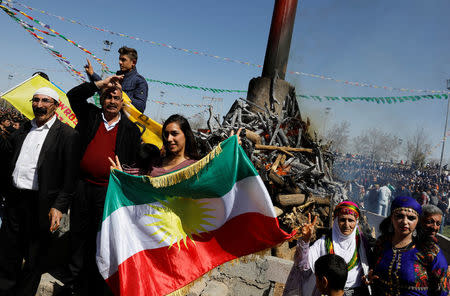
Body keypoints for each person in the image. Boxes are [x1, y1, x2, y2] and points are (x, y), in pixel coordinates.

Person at [65, 75, 142, 295]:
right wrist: (100, 83)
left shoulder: (132, 130)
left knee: (101, 239)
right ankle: (73, 284)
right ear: (101, 99)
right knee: (78, 236)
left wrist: (124, 172)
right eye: (107, 96)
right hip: (81, 188)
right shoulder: (90, 116)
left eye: (116, 98)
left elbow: (135, 165)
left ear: (122, 102)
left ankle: (95, 284)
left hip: (108, 194)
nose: (111, 101)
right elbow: (73, 96)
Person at [0, 87, 79, 296]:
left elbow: (70, 178)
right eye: (36, 100)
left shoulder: (67, 135)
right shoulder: (25, 128)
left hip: (42, 204)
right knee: (8, 254)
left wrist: (59, 206)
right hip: (15, 201)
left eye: (45, 101)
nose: (39, 105)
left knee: (34, 258)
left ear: (55, 105)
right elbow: (7, 154)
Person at [370, 196, 449, 295]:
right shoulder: (382, 243)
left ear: (417, 221)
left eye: (411, 218)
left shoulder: (430, 250)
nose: (405, 222)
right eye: (399, 216)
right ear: (391, 218)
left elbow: (443, 289)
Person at [295, 201, 370, 296]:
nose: (346, 225)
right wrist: (305, 241)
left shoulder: (363, 245)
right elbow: (303, 266)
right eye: (342, 220)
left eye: (350, 220)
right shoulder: (323, 243)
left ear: (357, 222)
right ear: (336, 221)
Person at [110, 114, 200, 176]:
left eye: (174, 133)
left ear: (186, 135)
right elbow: (139, 183)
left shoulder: (196, 167)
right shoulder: (155, 162)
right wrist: (121, 175)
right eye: (166, 134)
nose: (169, 139)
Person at [85, 46, 148, 112]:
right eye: (119, 59)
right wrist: (92, 74)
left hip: (124, 121)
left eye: (123, 60)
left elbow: (140, 107)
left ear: (133, 63)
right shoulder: (117, 77)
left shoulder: (140, 81)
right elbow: (104, 90)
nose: (120, 62)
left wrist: (121, 94)